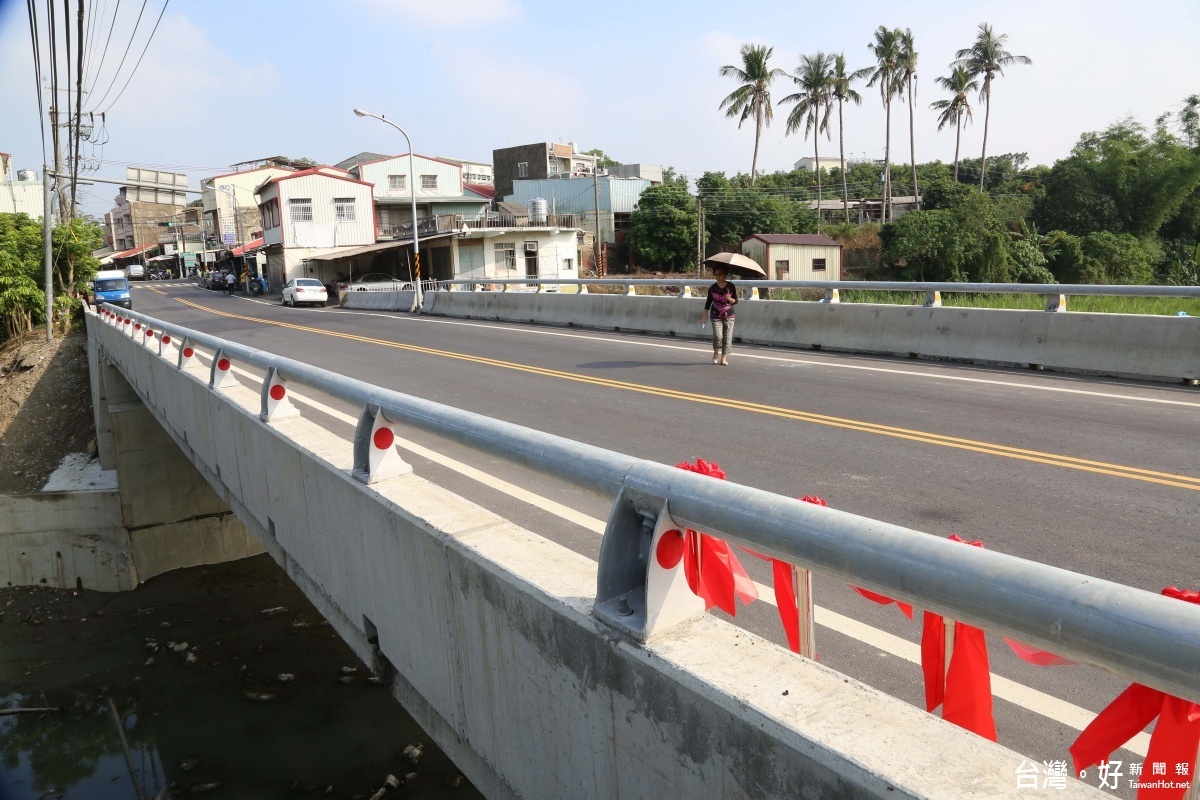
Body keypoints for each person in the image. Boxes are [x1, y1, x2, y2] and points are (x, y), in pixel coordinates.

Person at [700, 265, 738, 366]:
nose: (717, 276)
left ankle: (724, 358)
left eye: (720, 274)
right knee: (718, 336)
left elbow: (736, 301)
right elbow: (708, 303)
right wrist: (704, 316)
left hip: (729, 316)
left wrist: (729, 298)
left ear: (725, 275)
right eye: (715, 274)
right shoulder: (712, 288)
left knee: (727, 338)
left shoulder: (731, 287)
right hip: (715, 315)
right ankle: (716, 353)